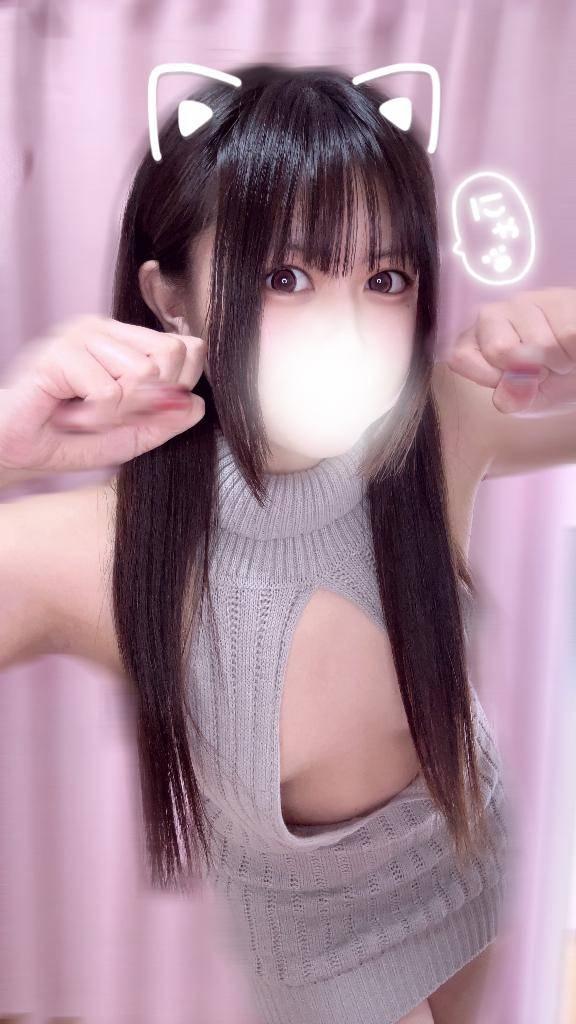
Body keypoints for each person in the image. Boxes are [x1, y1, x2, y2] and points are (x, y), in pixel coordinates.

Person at [0, 63, 515, 1024]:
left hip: (472, 859)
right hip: (319, 953)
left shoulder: (441, 422)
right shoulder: (94, 551)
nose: (348, 332)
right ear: (171, 298)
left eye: (386, 279)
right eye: (286, 276)